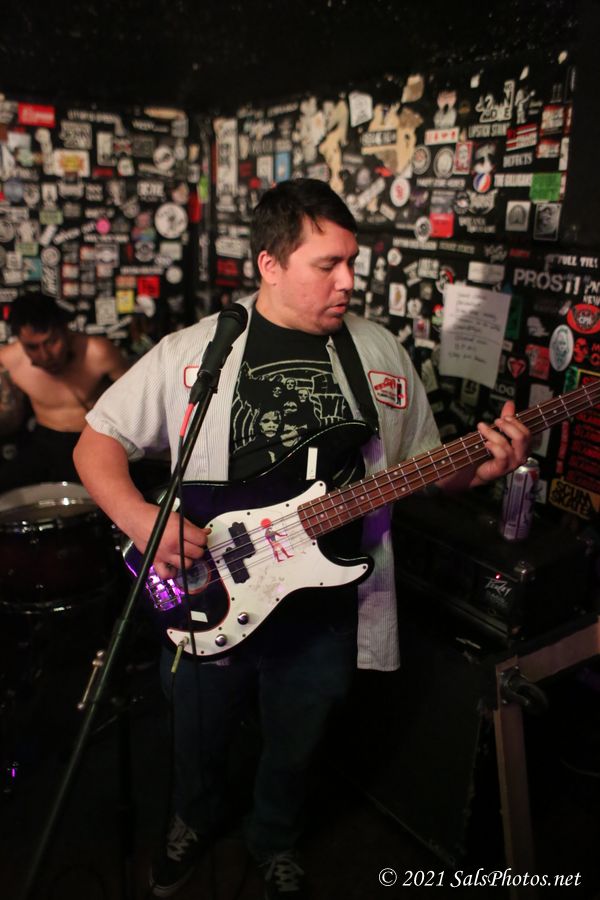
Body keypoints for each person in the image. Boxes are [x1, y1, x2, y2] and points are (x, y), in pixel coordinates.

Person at [73, 178, 530, 899]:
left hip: (325, 601)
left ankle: (275, 836)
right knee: (197, 729)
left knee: (299, 737)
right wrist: (139, 519)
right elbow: (96, 441)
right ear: (271, 264)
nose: (349, 281)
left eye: (352, 262)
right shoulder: (198, 350)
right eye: (328, 265)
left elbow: (424, 468)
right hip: (210, 586)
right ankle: (193, 817)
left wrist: (480, 468)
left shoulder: (379, 352)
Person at [0, 292, 128, 490]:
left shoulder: (98, 352)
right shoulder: (8, 359)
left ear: (65, 330)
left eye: (51, 342)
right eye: (32, 347)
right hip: (44, 440)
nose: (45, 355)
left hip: (93, 437)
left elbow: (136, 399)